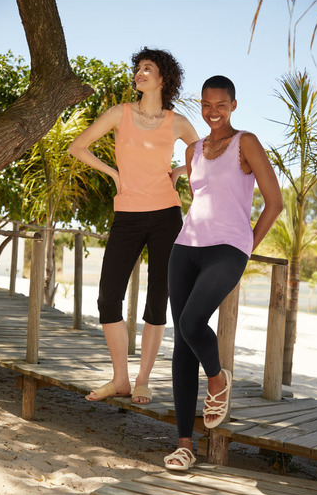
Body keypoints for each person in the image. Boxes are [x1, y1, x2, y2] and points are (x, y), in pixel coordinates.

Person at [163, 75, 283, 470]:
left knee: (191, 322)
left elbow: (274, 201)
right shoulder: (193, 150)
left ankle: (216, 379)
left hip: (228, 248)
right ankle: (184, 444)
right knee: (182, 342)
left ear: (233, 105)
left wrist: (248, 243)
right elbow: (200, 199)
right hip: (186, 248)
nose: (213, 112)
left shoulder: (246, 142)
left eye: (220, 105)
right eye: (206, 104)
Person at [68, 47, 199, 405]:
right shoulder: (120, 113)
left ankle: (142, 380)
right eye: (138, 68)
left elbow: (206, 155)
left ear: (163, 78)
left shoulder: (177, 122)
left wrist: (179, 170)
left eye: (148, 68)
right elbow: (78, 147)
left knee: (158, 298)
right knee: (108, 297)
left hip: (166, 215)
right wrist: (114, 174)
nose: (140, 73)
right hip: (127, 214)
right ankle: (120, 379)